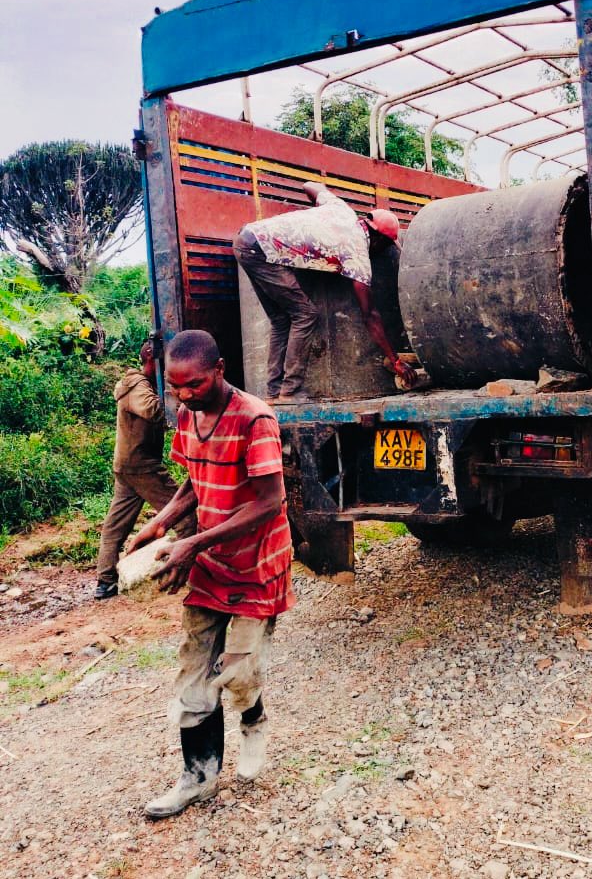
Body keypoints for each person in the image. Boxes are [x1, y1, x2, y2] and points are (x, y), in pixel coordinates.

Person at [126, 329, 294, 819]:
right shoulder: (186, 414)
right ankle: (197, 777)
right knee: (194, 673)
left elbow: (270, 502)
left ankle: (254, 717)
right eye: (175, 387)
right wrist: (159, 525)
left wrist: (191, 542)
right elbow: (193, 481)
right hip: (209, 566)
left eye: (194, 385)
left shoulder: (255, 419)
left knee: (237, 673)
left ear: (219, 370)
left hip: (257, 565)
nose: (183, 395)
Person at [233, 181, 416, 403]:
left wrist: (317, 222)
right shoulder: (357, 251)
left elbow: (310, 185)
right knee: (305, 315)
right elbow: (369, 315)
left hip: (245, 239)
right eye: (386, 246)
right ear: (378, 239)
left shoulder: (340, 209)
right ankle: (289, 392)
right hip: (263, 250)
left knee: (281, 320)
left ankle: (273, 393)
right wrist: (394, 359)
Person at [94, 339, 193, 601]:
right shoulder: (137, 385)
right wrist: (180, 401)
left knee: (115, 526)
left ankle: (105, 581)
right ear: (152, 360)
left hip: (128, 464)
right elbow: (152, 410)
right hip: (141, 466)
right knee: (185, 515)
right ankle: (191, 569)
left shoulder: (137, 383)